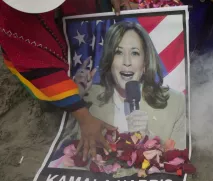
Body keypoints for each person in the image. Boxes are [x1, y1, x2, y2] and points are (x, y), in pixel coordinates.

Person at [0, 0, 137, 163]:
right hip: (31, 47)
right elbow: (36, 66)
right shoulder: (8, 15)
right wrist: (85, 118)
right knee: (57, 99)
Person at [82, 21, 186, 149]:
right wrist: (77, 97)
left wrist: (149, 138)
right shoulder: (88, 97)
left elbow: (181, 160)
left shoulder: (175, 103)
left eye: (135, 53)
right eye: (118, 52)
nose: (127, 62)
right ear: (109, 60)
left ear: (145, 62)